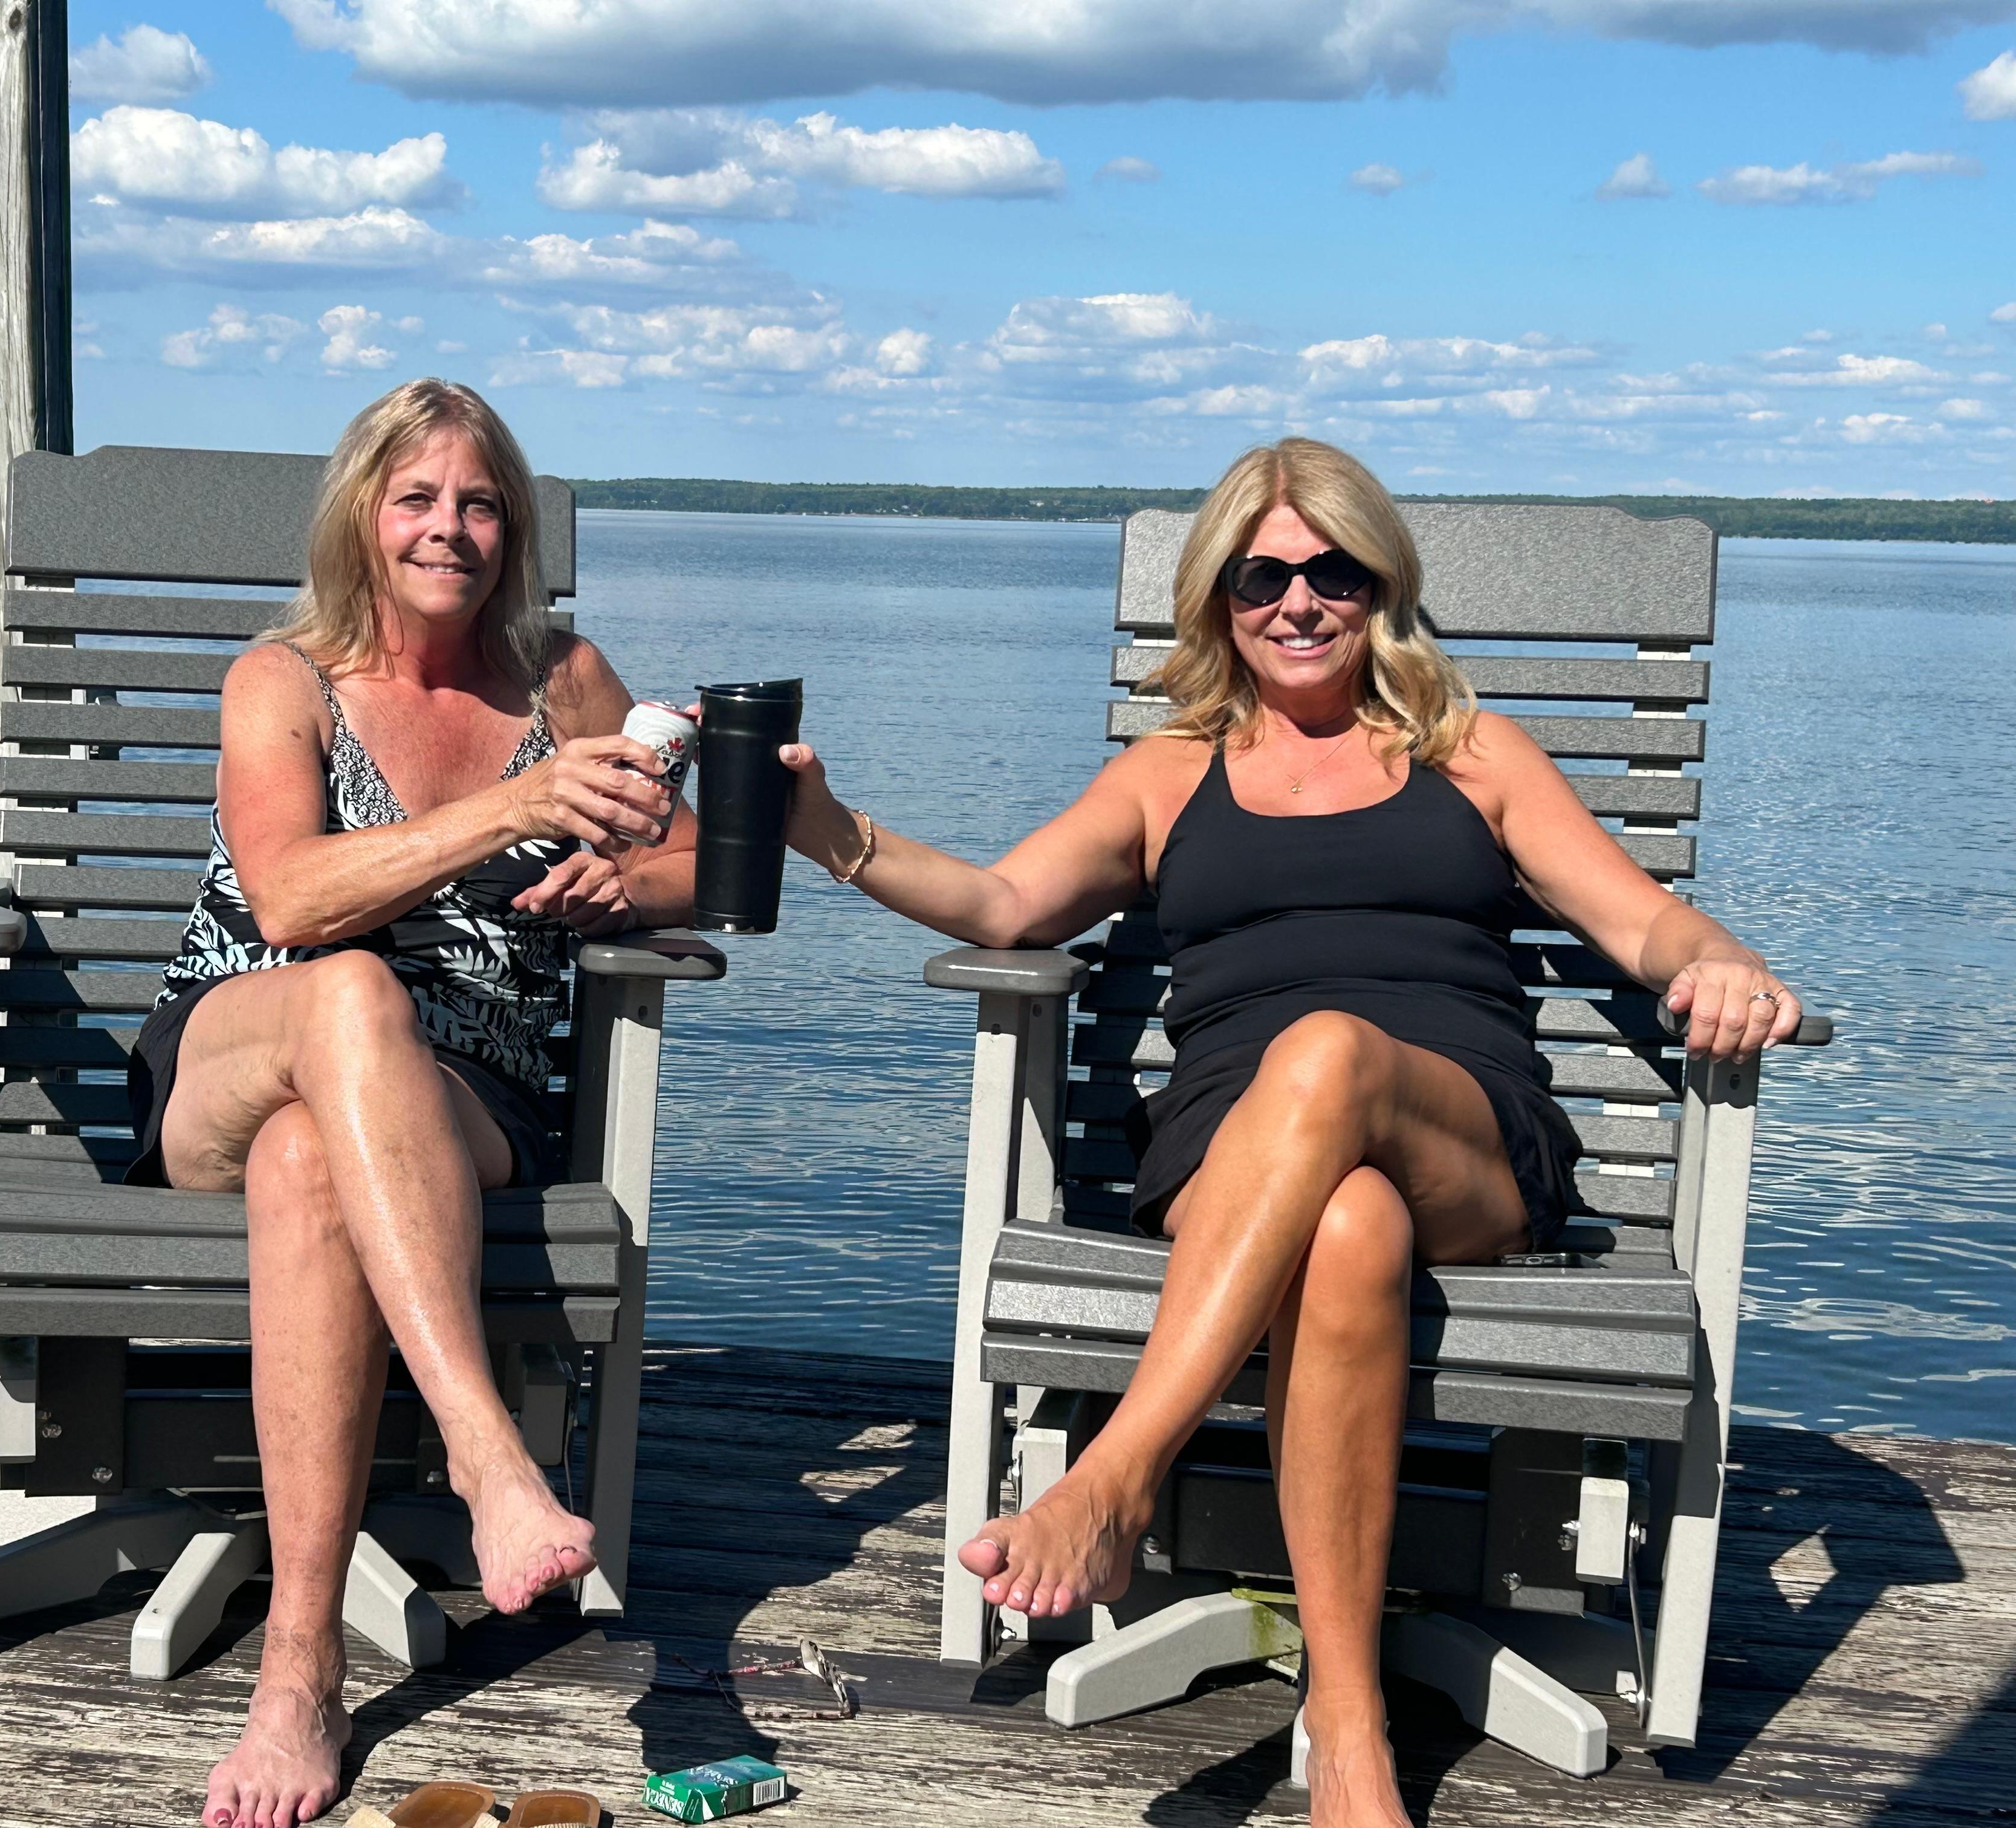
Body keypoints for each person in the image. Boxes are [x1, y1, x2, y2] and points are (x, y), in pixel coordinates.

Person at [775, 438, 1799, 1828]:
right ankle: (1351, 1724)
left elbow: (1638, 922)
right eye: (1264, 576)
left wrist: (1720, 961)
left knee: (1328, 1058)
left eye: (1333, 571)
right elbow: (1008, 908)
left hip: (1464, 1137)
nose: (1299, 600)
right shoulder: (1168, 772)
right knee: (1347, 1221)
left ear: (1383, 588)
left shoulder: (1471, 753)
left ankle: (1119, 1476)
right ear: (1219, 600)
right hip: (1236, 1160)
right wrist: (826, 827)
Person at [122, 380, 694, 1828]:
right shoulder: (285, 678)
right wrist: (515, 811)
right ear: (365, 519)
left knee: (322, 1152)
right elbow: (293, 896)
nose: (452, 527)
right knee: (347, 997)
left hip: (468, 1088)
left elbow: (700, 870)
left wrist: (622, 879)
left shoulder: (563, 682)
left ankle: (298, 1673)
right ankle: (486, 1450)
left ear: (516, 528)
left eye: (482, 501)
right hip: (235, 1052)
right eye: (419, 498)